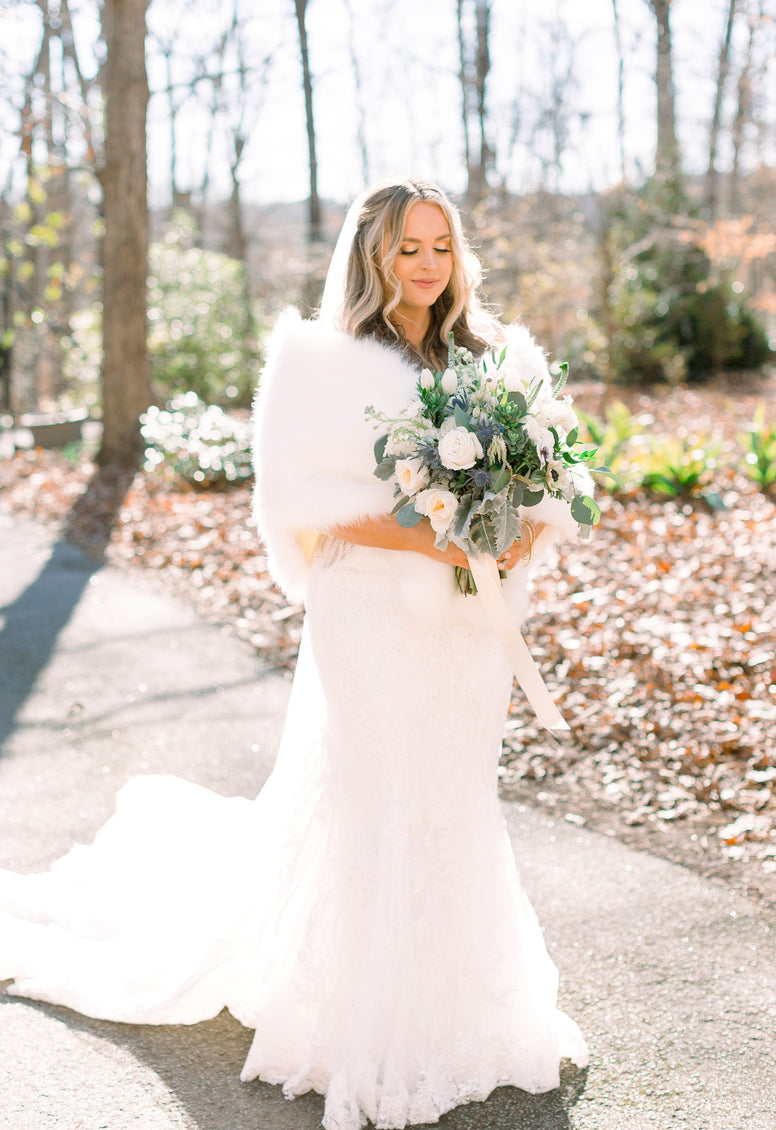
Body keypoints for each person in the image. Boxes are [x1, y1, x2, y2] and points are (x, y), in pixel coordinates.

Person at [0, 179, 589, 1130]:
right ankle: (367, 1015)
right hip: (367, 615)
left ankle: (470, 1003)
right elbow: (310, 512)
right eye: (407, 247)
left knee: (450, 796)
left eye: (440, 244)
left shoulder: (493, 360)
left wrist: (517, 530)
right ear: (372, 256)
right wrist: (438, 533)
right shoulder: (324, 364)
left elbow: (544, 481)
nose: (427, 264)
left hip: (461, 631)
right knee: (376, 794)